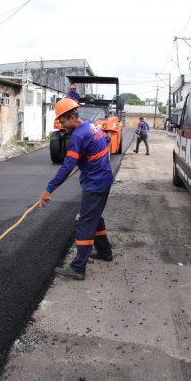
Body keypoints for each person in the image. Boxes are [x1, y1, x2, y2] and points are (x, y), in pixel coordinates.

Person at [39, 98, 114, 280]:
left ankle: (78, 267)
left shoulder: (78, 136)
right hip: (104, 178)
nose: (62, 126)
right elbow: (107, 138)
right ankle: (105, 252)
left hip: (95, 184)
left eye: (63, 122)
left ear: (72, 117)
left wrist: (49, 189)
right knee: (95, 217)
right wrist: (90, 155)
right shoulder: (92, 125)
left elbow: (67, 167)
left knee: (84, 222)